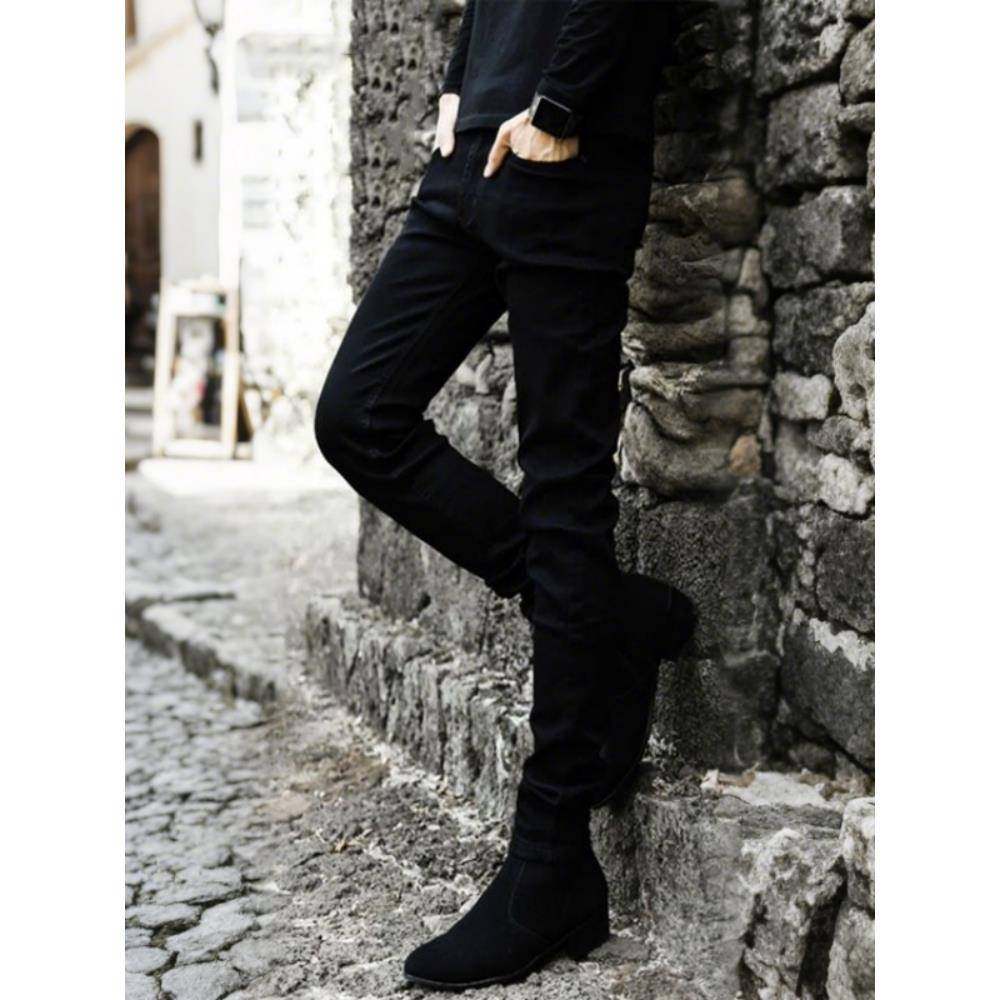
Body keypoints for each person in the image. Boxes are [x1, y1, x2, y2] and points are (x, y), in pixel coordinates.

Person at [314, 1, 695, 989]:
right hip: (473, 154)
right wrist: (456, 84)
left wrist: (560, 105)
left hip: (568, 152)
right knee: (356, 416)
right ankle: (611, 613)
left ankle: (552, 858)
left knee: (565, 496)